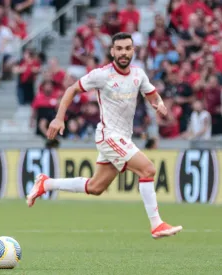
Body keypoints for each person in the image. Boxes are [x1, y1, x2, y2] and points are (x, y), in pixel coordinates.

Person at [27, 32, 182, 239]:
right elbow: (72, 89)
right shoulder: (101, 75)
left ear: (133, 50)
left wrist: (159, 103)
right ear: (112, 51)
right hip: (108, 135)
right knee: (148, 169)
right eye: (119, 49)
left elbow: (152, 95)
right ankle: (156, 224)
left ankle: (46, 183)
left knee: (96, 187)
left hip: (123, 138)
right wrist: (59, 118)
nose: (124, 53)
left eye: (128, 48)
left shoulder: (139, 74)